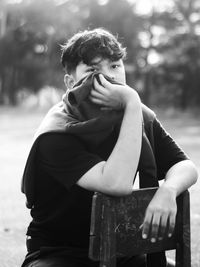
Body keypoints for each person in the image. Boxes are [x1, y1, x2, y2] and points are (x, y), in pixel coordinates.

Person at [21, 28, 198, 267]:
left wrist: (168, 191)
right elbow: (116, 184)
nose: (109, 78)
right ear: (70, 82)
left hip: (123, 250)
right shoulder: (57, 133)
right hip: (61, 254)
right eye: (93, 70)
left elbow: (185, 166)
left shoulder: (137, 116)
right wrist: (132, 102)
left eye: (115, 66)